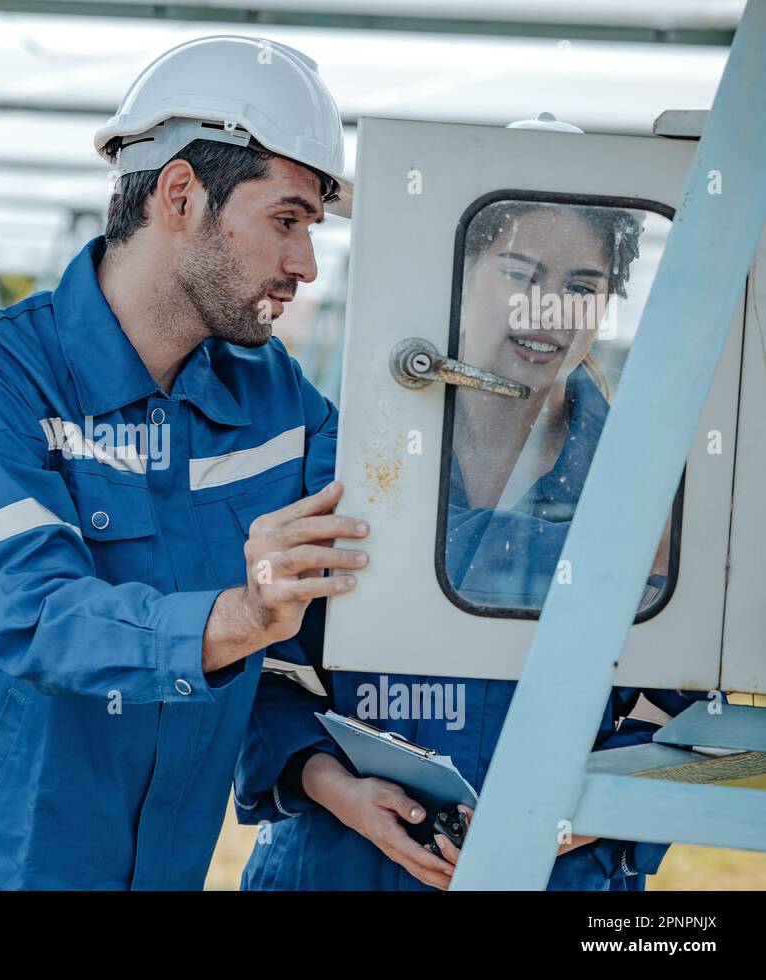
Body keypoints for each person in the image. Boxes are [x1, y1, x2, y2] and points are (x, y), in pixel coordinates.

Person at [0, 35, 368, 890]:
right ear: (181, 193)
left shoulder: (277, 403)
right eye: (286, 220)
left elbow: (372, 570)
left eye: (311, 229)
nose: (305, 266)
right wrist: (242, 614)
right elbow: (37, 614)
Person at [235, 196, 697, 891]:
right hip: (341, 865)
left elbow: (687, 717)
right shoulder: (348, 458)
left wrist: (561, 819)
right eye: (519, 273)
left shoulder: (650, 485)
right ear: (460, 274)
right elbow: (265, 672)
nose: (547, 309)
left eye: (580, 287)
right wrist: (344, 795)